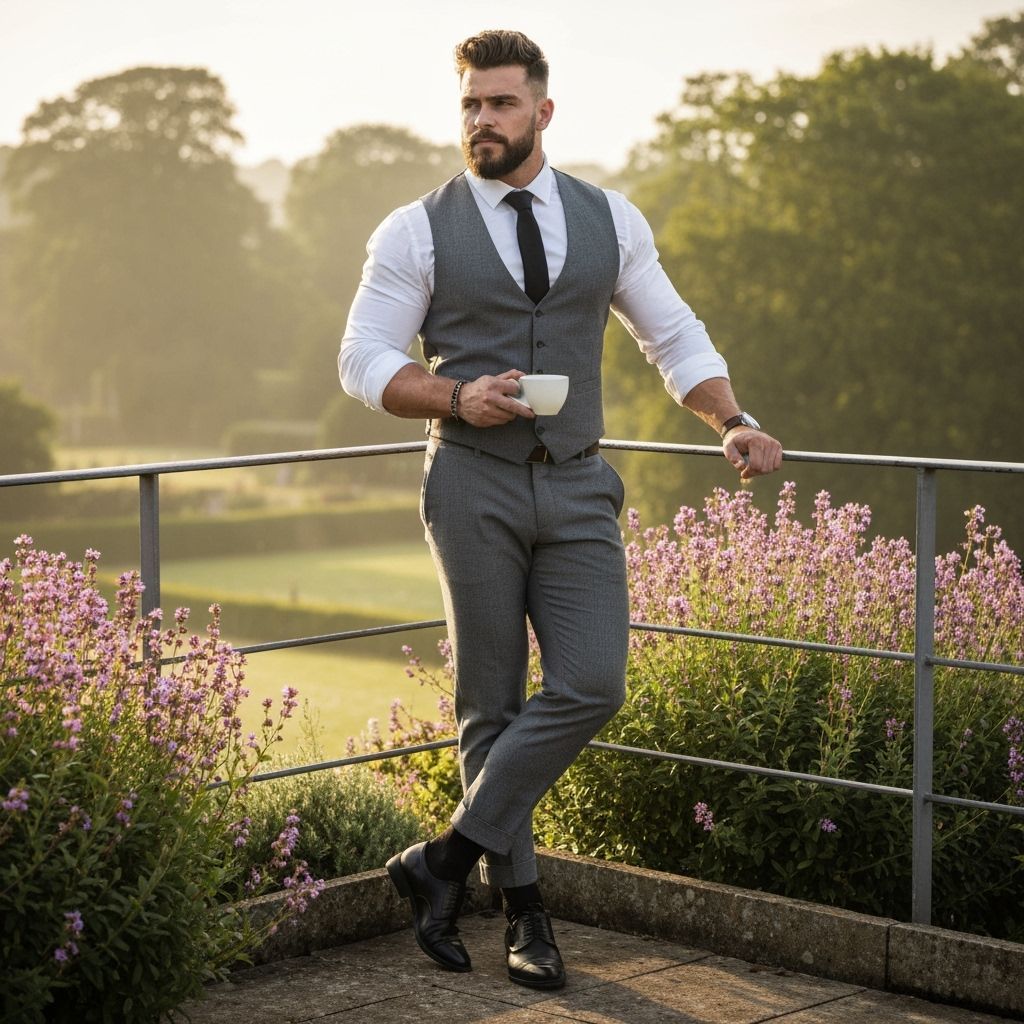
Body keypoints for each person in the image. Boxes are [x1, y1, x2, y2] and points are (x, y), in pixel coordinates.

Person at [338, 29, 783, 990]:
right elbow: (363, 360)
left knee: (592, 682)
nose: (482, 120)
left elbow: (673, 335)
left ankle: (441, 863)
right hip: (470, 479)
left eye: (500, 103)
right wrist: (457, 397)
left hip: (580, 482)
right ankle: (527, 917)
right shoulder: (415, 229)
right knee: (488, 706)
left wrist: (731, 419)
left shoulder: (608, 218)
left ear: (544, 110)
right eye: (469, 104)